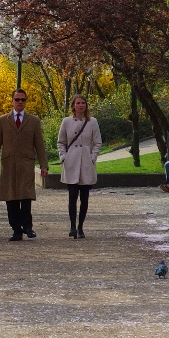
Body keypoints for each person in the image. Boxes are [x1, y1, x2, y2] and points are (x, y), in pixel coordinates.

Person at [0, 89, 49, 241]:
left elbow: (39, 145)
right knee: (11, 198)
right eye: (17, 99)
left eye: (23, 100)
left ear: (26, 101)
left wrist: (44, 165)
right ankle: (16, 230)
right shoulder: (3, 120)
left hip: (26, 163)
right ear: (12, 101)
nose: (20, 102)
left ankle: (28, 227)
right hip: (9, 164)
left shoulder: (34, 121)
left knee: (26, 196)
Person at [57, 94, 102, 239]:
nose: (81, 105)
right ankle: (72, 226)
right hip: (71, 162)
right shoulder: (66, 121)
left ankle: (81, 226)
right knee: (72, 196)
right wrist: (64, 156)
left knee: (84, 197)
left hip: (86, 163)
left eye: (83, 103)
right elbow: (61, 142)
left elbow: (98, 142)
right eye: (78, 103)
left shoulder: (92, 122)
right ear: (73, 105)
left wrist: (92, 157)